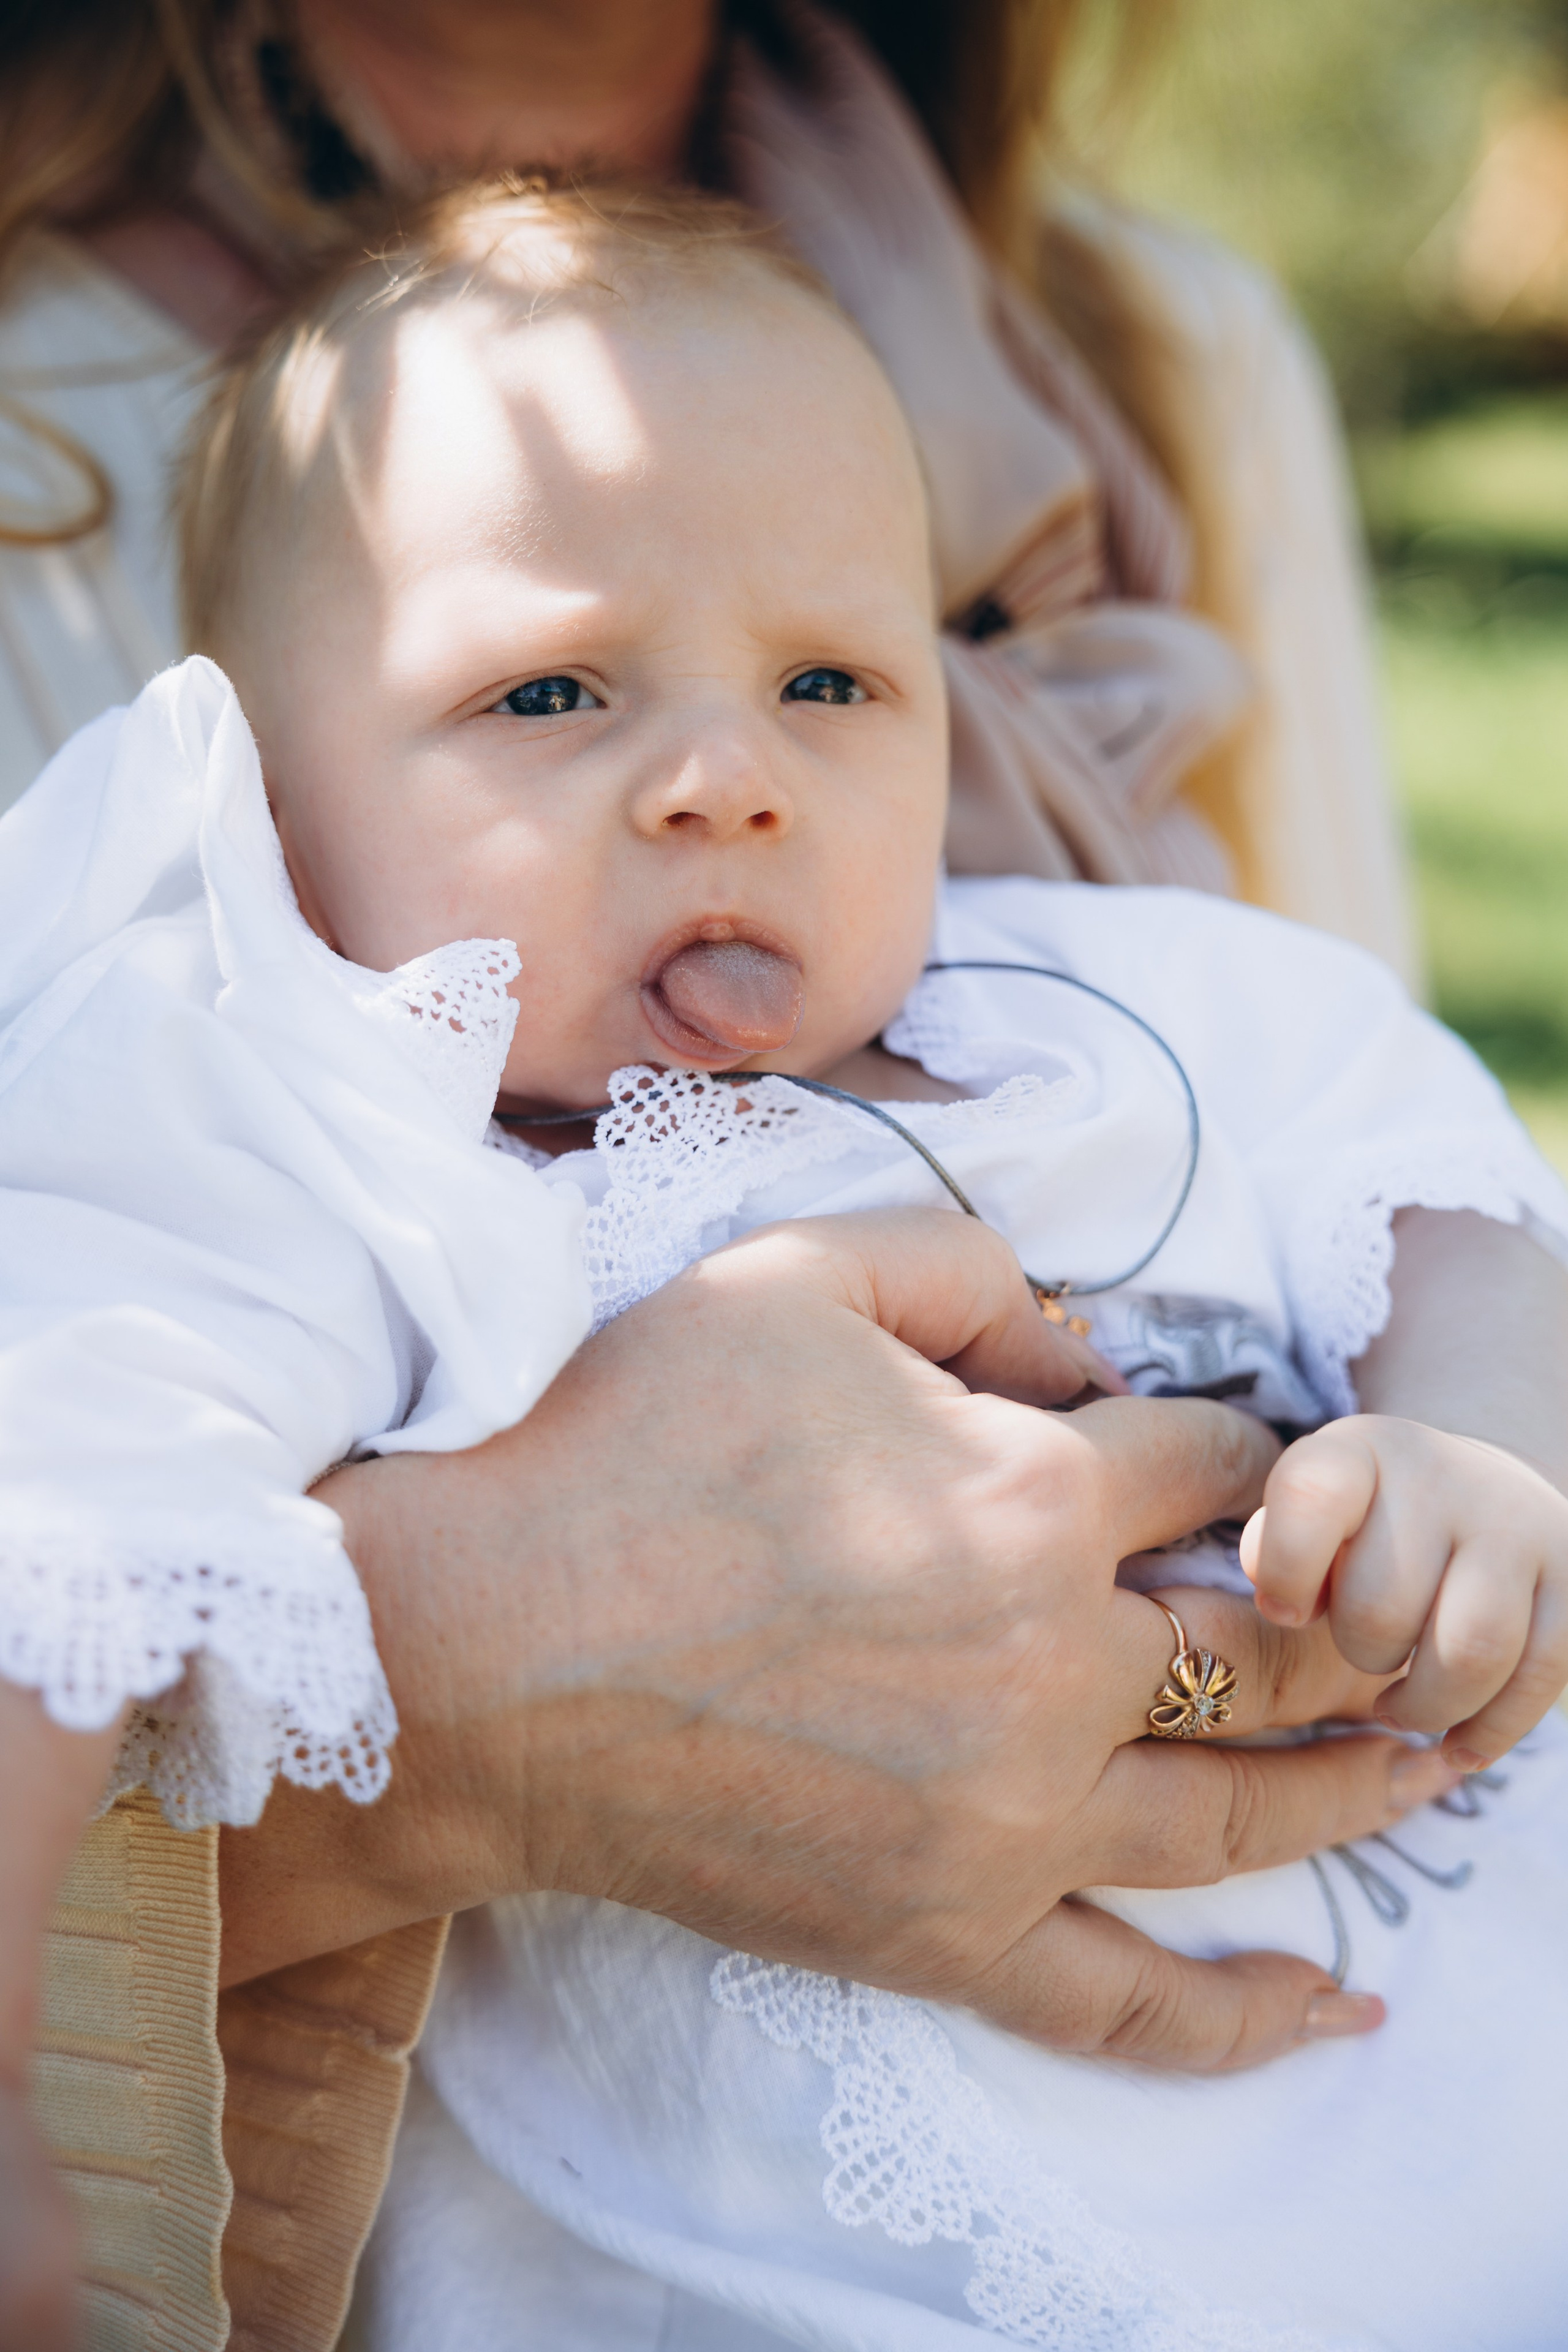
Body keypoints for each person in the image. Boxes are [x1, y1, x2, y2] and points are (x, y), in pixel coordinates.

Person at [0, 2, 1445, 2344]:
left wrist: (1475, 1454)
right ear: (260, 817)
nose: (725, 780)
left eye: (835, 687)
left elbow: (1408, 1144)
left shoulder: (1070, 981)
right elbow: (57, 1522)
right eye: (552, 693)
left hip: (1339, 2156)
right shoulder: (313, 1127)